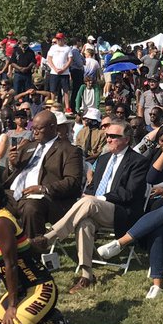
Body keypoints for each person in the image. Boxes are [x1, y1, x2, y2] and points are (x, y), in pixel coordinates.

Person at [40, 119, 150, 293]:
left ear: (127, 139)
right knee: (84, 223)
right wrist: (90, 195)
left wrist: (97, 197)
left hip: (121, 212)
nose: (109, 139)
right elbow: (93, 186)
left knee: (89, 202)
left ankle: (50, 237)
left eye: (114, 136)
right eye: (107, 136)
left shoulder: (138, 161)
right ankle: (86, 274)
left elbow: (128, 194)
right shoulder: (104, 158)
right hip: (96, 208)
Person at [0, 181, 68, 324]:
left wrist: (12, 306)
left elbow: (11, 265)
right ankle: (29, 313)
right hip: (20, 288)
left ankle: (53, 322)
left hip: (39, 287)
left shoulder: (1, 222)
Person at [4, 109, 82, 238]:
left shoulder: (69, 151)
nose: (34, 132)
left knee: (31, 207)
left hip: (47, 198)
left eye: (38, 129)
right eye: (33, 128)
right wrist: (12, 164)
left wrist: (43, 189)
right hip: (15, 194)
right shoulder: (28, 146)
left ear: (52, 127)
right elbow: (11, 175)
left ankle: (33, 251)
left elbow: (73, 182)